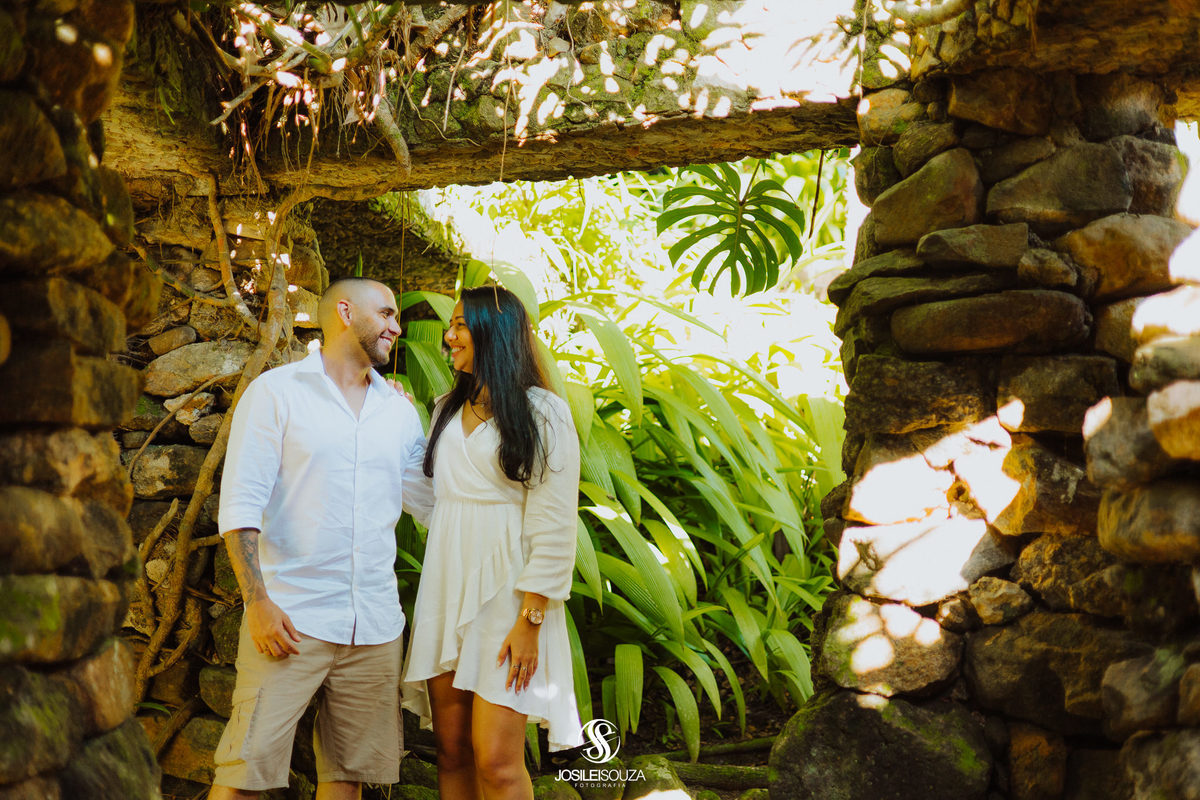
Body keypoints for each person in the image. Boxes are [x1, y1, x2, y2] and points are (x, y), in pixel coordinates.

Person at [209, 277, 434, 800]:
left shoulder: (399, 412)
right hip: (289, 619)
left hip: (375, 626)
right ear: (344, 309)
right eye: (386, 314)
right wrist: (257, 602)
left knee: (348, 780)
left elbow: (433, 504)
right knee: (245, 774)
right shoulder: (277, 392)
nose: (396, 328)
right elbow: (240, 504)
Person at [401, 286, 583, 800]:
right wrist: (391, 420)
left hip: (509, 598)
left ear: (493, 334)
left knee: (498, 762)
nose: (449, 335)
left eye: (461, 324)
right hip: (446, 584)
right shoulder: (443, 409)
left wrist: (531, 621)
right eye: (451, 324)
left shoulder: (542, 412)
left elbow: (554, 522)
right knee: (453, 751)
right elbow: (431, 498)